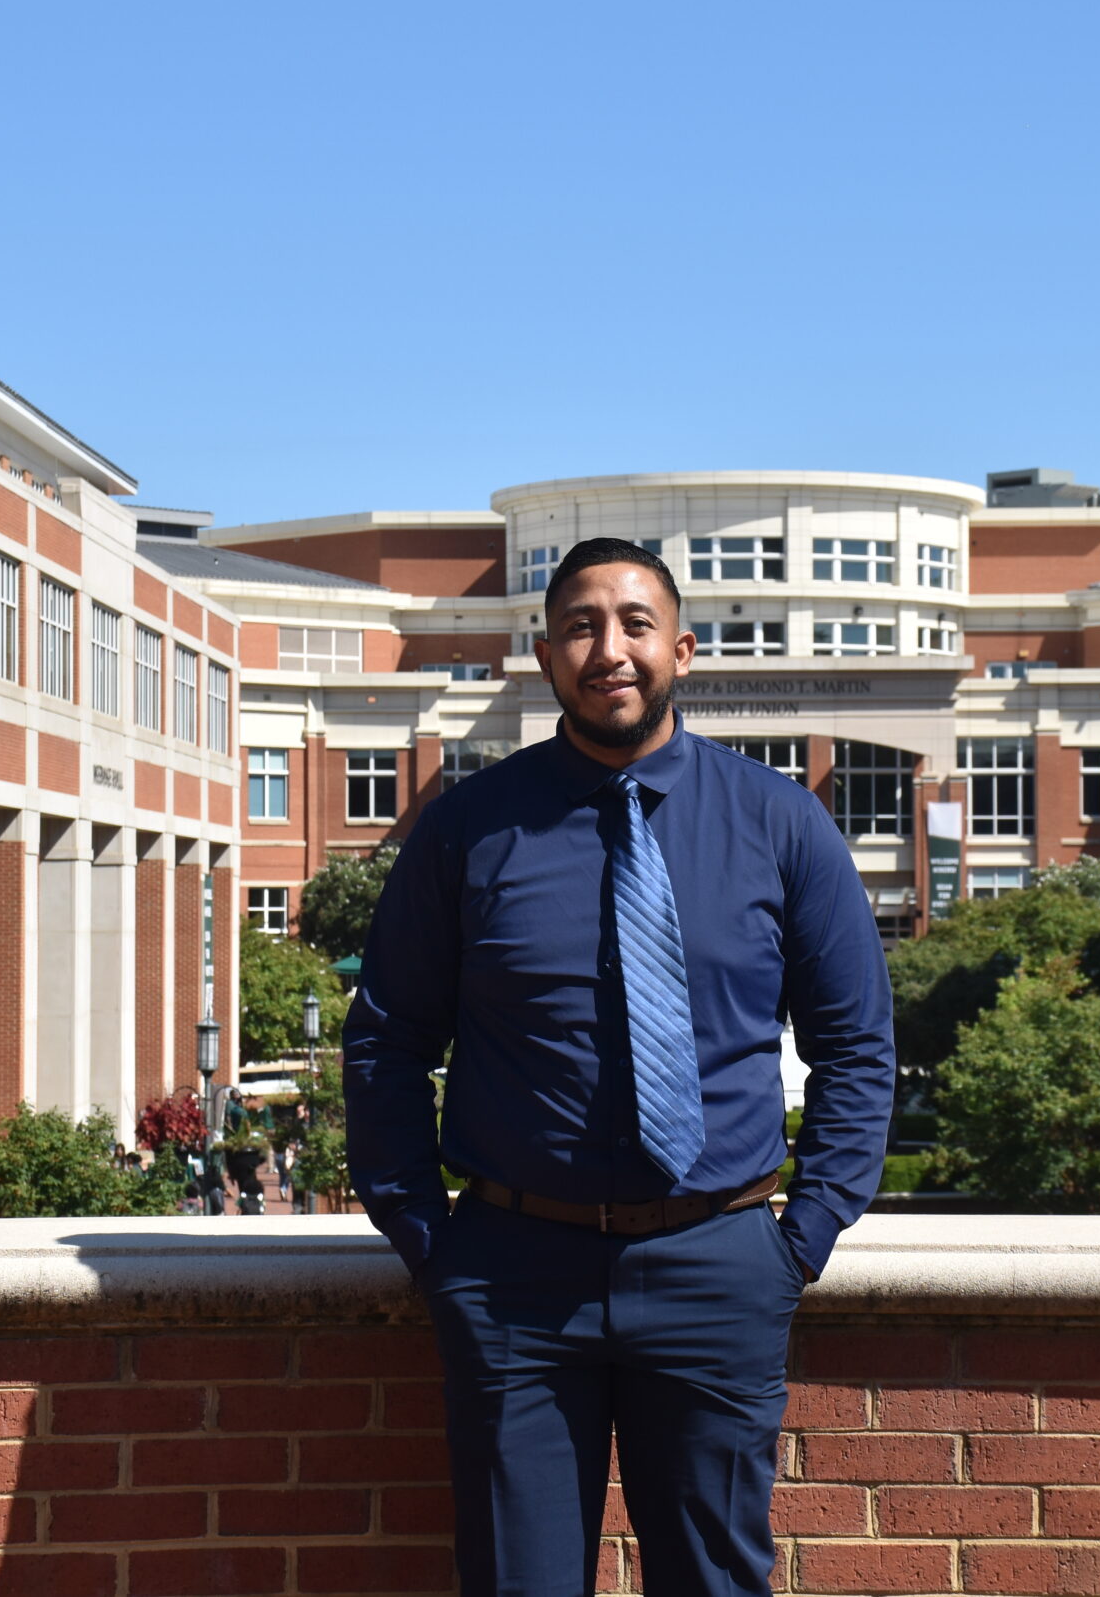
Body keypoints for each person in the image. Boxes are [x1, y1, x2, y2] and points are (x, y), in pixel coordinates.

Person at [346, 538, 894, 1596]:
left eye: (635, 625)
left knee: (714, 1582)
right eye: (582, 628)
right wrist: (427, 1239)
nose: (610, 650)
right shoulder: (465, 830)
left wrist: (805, 1234)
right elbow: (385, 1038)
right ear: (547, 657)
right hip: (512, 1275)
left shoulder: (781, 823)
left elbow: (856, 1044)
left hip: (718, 1265)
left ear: (680, 649)